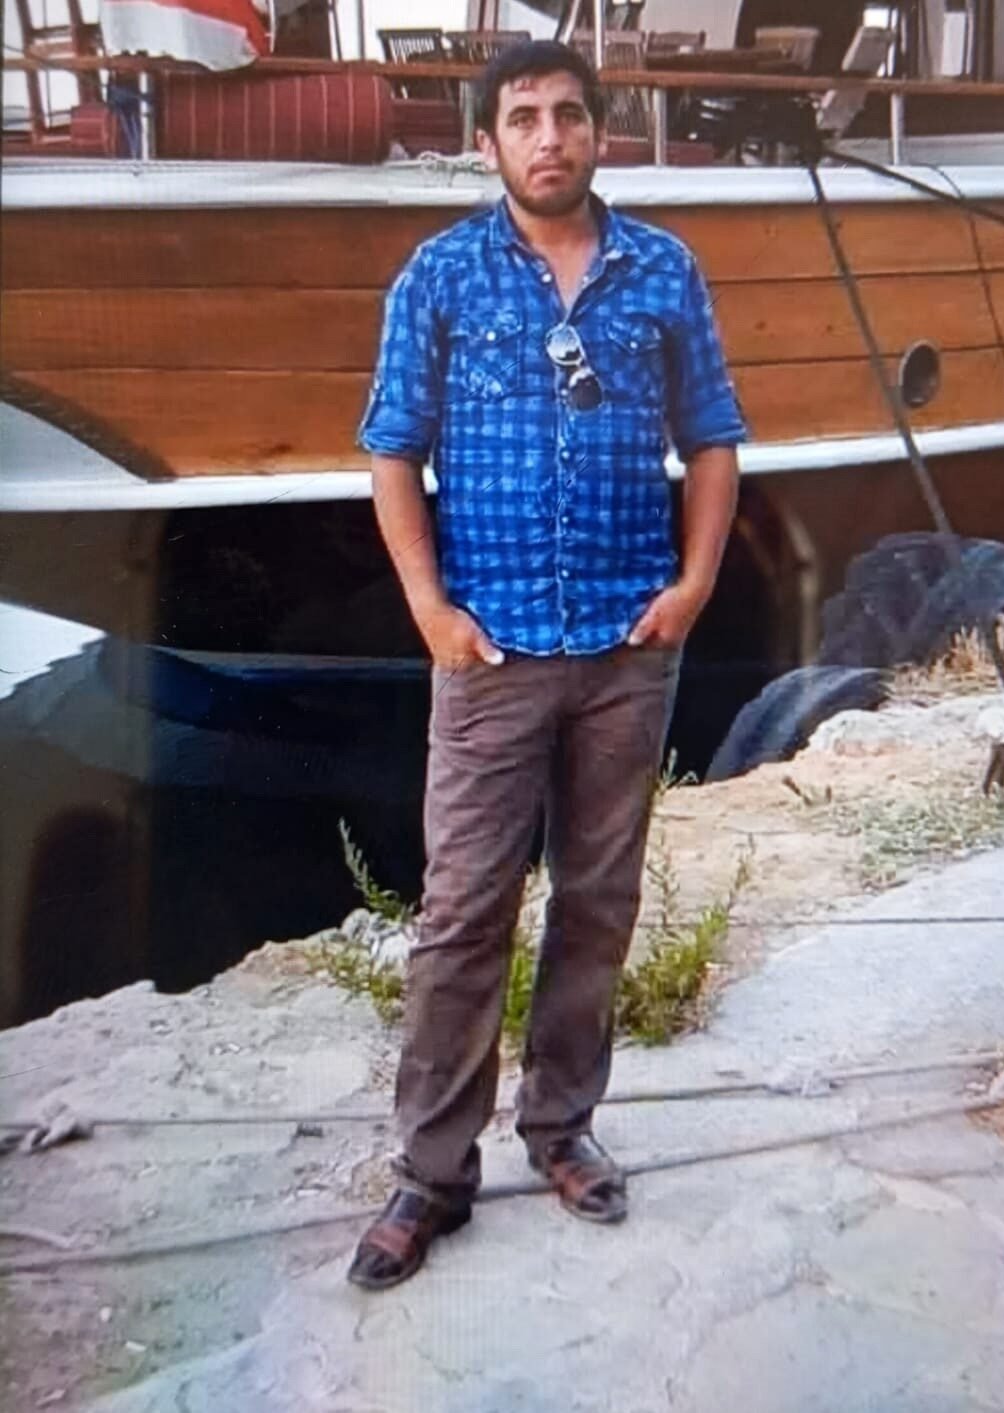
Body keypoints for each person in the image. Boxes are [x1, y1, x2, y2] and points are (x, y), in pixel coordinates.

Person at [349, 39, 746, 1292]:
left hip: (628, 649)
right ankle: (432, 1173)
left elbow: (714, 439)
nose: (549, 137)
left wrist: (694, 586)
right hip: (491, 649)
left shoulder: (662, 271)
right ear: (488, 143)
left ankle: (563, 1129)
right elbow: (392, 450)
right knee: (463, 911)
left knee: (597, 899)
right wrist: (429, 611)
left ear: (600, 132)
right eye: (522, 118)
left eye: (569, 115)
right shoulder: (441, 275)